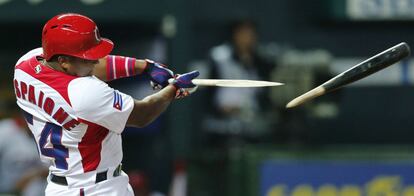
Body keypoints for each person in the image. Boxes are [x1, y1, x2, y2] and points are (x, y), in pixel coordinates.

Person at [13, 13, 199, 196]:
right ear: (63, 61)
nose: (94, 60)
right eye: (87, 56)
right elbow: (142, 115)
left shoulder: (25, 65)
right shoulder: (85, 93)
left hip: (64, 185)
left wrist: (145, 66)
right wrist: (173, 90)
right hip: (94, 188)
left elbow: (92, 65)